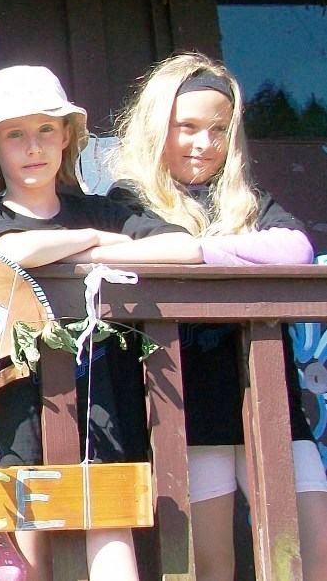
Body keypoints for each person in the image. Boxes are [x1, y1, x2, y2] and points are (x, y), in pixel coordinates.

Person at [0, 65, 202, 580]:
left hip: (103, 404)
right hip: (14, 410)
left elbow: (185, 248)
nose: (33, 146)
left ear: (67, 136)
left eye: (46, 129)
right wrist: (94, 242)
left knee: (111, 542)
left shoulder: (102, 209)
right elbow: (13, 252)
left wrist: (89, 241)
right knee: (26, 553)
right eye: (14, 134)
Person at [106, 53, 327, 581]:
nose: (204, 143)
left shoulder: (247, 201)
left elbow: (295, 248)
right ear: (157, 126)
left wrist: (200, 251)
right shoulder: (128, 201)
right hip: (189, 409)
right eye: (187, 127)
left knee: (313, 553)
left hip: (270, 401)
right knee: (211, 564)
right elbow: (156, 252)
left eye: (219, 130)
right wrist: (232, 251)